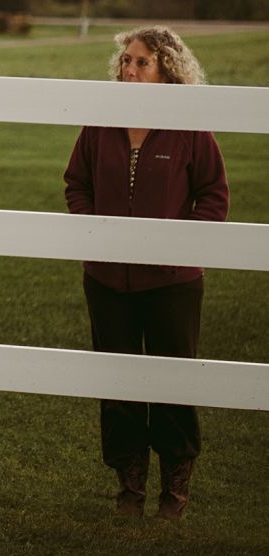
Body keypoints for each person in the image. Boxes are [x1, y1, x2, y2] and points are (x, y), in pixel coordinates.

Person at [64, 26, 228, 519]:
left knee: (173, 381)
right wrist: (94, 232)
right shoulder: (101, 122)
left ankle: (174, 486)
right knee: (118, 383)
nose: (128, 69)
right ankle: (129, 484)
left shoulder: (190, 126)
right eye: (126, 61)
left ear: (167, 72)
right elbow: (77, 183)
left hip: (173, 283)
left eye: (141, 63)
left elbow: (214, 197)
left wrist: (180, 244)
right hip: (107, 279)